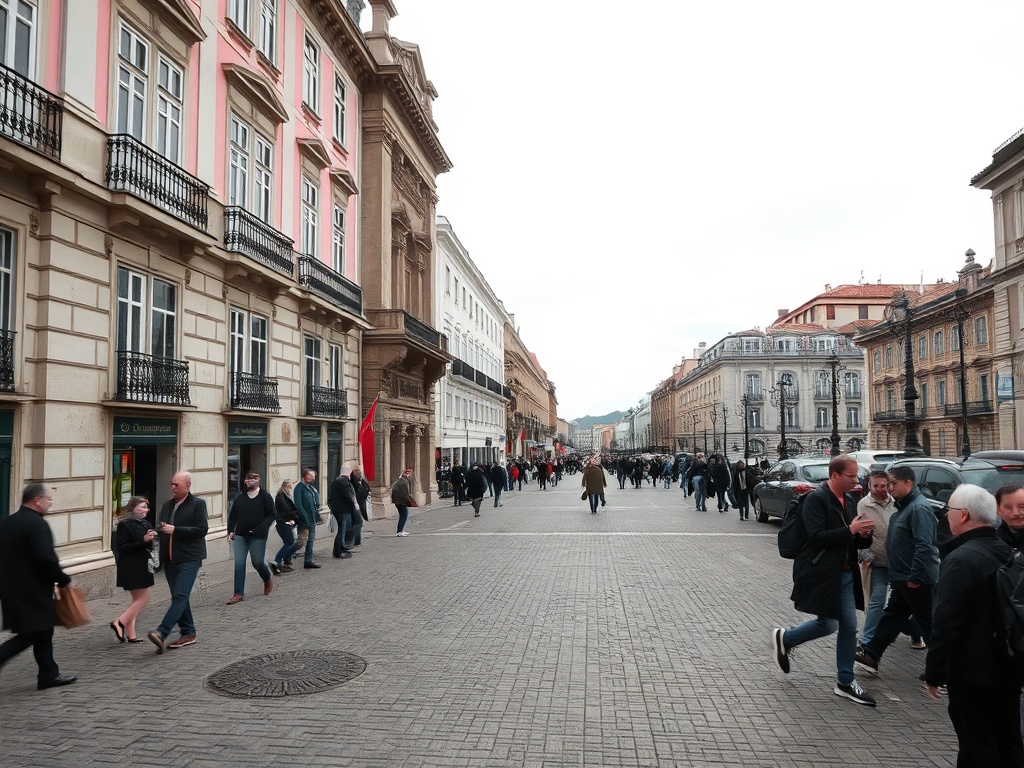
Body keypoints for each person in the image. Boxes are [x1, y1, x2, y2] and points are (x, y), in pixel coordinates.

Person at [925, 484, 1024, 767]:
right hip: (1010, 664)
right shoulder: (1008, 550)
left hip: (973, 670)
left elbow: (946, 623)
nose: (947, 517)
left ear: (964, 515)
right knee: (1009, 739)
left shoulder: (961, 559)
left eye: (950, 511)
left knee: (977, 744)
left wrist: (934, 671)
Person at [771, 456, 877, 706]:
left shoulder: (849, 501)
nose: (855, 480)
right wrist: (850, 531)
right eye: (850, 476)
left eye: (855, 475)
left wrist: (863, 536)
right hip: (822, 572)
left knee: (849, 627)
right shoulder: (816, 500)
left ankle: (845, 681)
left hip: (845, 572)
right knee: (829, 625)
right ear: (834, 476)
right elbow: (816, 537)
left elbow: (851, 541)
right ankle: (786, 639)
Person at [855, 465, 938, 675]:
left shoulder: (918, 509)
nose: (889, 488)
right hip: (903, 577)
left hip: (915, 578)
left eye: (893, 483)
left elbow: (924, 545)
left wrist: (916, 576)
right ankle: (871, 654)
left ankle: (943, 672)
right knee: (892, 617)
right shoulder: (905, 507)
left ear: (908, 483)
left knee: (929, 624)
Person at [0, 483, 76, 689]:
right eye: (49, 499)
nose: (50, 503)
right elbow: (46, 558)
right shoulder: (36, 524)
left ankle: (48, 675)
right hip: (31, 590)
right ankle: (47, 674)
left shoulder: (8, 522)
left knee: (43, 629)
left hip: (12, 588)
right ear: (37, 500)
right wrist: (63, 579)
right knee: (35, 631)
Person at [856, 470, 924, 652]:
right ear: (869, 486)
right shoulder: (864, 505)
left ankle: (916, 634)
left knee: (906, 604)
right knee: (877, 601)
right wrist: (865, 552)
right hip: (878, 561)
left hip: (901, 563)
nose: (880, 489)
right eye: (875, 485)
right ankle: (867, 639)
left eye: (884, 485)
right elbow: (862, 534)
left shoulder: (899, 501)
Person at [148, 470, 209, 654]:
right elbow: (163, 528)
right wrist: (155, 533)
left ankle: (162, 632)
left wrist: (176, 530)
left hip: (190, 557)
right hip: (170, 558)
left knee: (180, 596)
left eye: (177, 485)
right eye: (172, 484)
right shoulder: (166, 505)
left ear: (188, 486)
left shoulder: (198, 504)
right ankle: (188, 633)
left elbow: (201, 530)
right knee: (179, 597)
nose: (173, 487)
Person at [225, 470, 275, 605]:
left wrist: (261, 528)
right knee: (239, 564)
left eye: (253, 479)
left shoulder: (265, 496)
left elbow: (271, 515)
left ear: (259, 481)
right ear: (244, 481)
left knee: (257, 562)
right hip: (241, 534)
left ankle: (267, 578)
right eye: (248, 479)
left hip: (258, 536)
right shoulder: (240, 497)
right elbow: (233, 515)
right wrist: (230, 530)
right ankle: (238, 593)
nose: (250, 481)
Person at [112, 495, 157, 643]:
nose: (145, 510)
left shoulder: (145, 523)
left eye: (147, 507)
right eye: (142, 506)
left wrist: (151, 539)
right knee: (143, 598)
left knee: (137, 600)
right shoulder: (124, 525)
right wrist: (142, 541)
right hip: (131, 566)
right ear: (133, 508)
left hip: (143, 565)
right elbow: (122, 548)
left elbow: (147, 546)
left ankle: (131, 634)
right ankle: (119, 622)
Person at [292, 467, 322, 569]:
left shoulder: (311, 487)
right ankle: (284, 556)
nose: (312, 476)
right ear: (303, 476)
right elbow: (299, 505)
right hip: (304, 519)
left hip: (312, 518)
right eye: (309, 475)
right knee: (301, 541)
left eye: (313, 475)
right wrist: (306, 518)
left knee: (311, 540)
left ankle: (308, 561)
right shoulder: (299, 488)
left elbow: (315, 501)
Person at [328, 466, 357, 559]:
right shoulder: (344, 482)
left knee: (342, 529)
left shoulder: (335, 481)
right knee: (342, 530)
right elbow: (348, 496)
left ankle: (341, 547)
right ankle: (338, 551)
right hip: (343, 510)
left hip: (338, 509)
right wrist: (354, 504)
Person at [271, 480, 298, 574]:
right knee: (290, 541)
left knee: (289, 541)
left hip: (286, 522)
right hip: (283, 522)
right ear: (286, 486)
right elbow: (286, 509)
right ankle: (277, 561)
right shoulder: (281, 495)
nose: (291, 489)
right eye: (290, 487)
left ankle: (282, 562)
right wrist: (294, 513)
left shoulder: (284, 495)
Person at [996, 483, 1024, 551]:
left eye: (1022, 506)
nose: (1016, 513)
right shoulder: (990, 541)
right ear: (998, 509)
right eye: (1008, 507)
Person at [391, 467, 416, 536]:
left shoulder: (403, 480)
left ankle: (401, 530)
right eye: (407, 472)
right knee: (404, 515)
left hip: (399, 501)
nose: (409, 474)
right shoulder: (402, 481)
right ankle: (399, 531)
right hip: (400, 502)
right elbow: (405, 494)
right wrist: (411, 501)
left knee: (403, 515)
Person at [351, 465, 370, 545]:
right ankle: (356, 540)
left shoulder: (361, 481)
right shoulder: (352, 482)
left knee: (359, 522)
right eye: (358, 474)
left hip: (361, 505)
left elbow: (367, 488)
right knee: (358, 522)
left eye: (360, 474)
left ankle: (357, 540)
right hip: (355, 506)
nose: (360, 475)